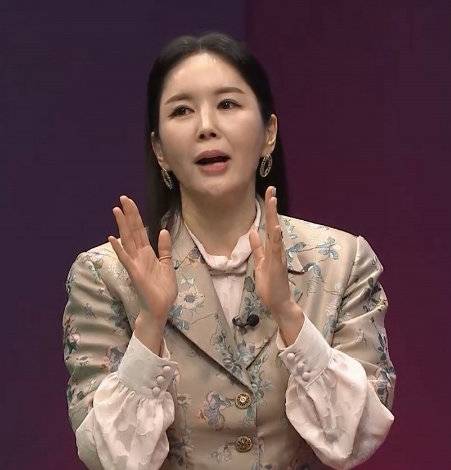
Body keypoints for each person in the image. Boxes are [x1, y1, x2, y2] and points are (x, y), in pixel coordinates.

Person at [62, 32, 396, 470]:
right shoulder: (105, 276)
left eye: (227, 104)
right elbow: (105, 458)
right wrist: (151, 324)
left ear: (269, 133)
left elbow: (356, 440)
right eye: (182, 110)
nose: (206, 126)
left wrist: (288, 314)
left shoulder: (342, 261)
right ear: (160, 150)